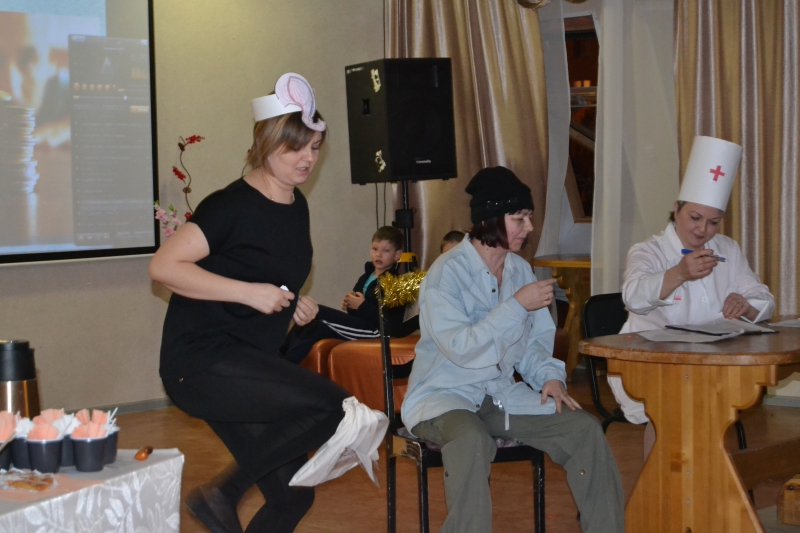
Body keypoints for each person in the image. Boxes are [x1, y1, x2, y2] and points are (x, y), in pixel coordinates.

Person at [149, 73, 350, 533]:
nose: (307, 158)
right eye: (295, 148)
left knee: (293, 494)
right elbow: (163, 266)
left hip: (244, 363)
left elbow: (264, 274)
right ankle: (223, 492)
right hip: (200, 362)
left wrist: (294, 304)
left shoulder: (296, 205)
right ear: (266, 143)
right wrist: (249, 292)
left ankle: (221, 496)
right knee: (334, 407)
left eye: (315, 147)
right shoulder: (231, 205)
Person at [401, 166, 625, 533]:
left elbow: (535, 344)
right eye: (519, 218)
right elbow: (462, 349)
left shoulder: (520, 271)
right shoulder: (446, 274)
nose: (529, 227)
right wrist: (516, 305)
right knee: (471, 440)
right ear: (488, 219)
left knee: (583, 429)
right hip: (443, 398)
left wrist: (550, 378)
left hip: (499, 398)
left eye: (529, 218)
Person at [610, 136, 775, 439]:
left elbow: (763, 298)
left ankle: (711, 470)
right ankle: (665, 472)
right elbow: (633, 297)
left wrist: (747, 306)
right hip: (651, 361)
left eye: (713, 222)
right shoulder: (647, 251)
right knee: (671, 411)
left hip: (710, 362)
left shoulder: (727, 248)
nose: (702, 230)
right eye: (695, 218)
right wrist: (678, 273)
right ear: (676, 210)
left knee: (714, 408)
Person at [281, 225, 408, 363]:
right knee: (312, 322)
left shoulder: (396, 284)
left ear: (397, 255)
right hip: (361, 326)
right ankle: (280, 356)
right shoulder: (366, 277)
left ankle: (286, 364)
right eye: (375, 249)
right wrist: (350, 305)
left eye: (386, 250)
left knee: (315, 311)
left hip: (377, 332)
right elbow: (357, 313)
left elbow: (391, 323)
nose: (379, 254)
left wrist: (362, 306)